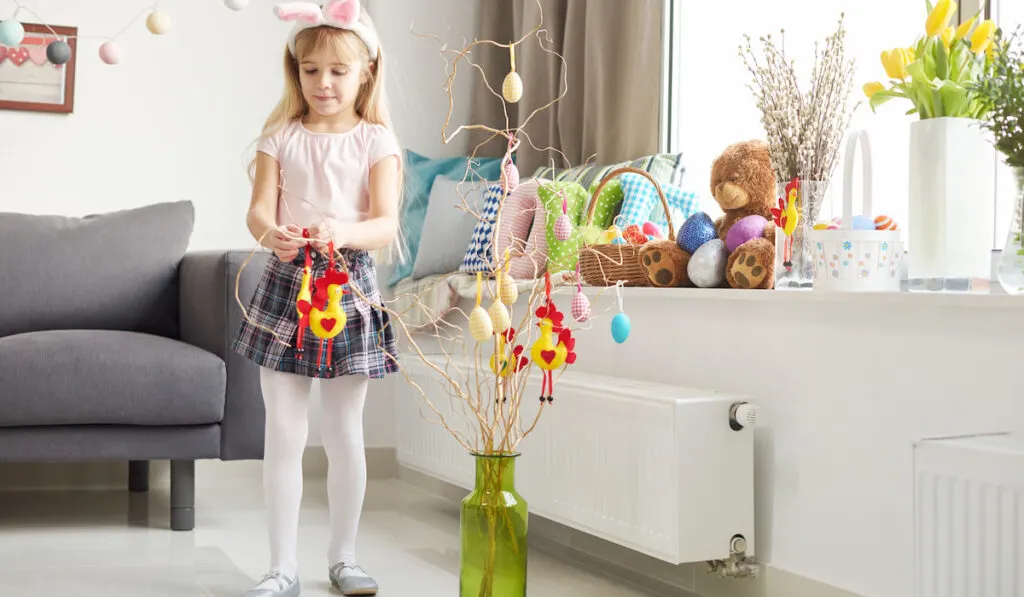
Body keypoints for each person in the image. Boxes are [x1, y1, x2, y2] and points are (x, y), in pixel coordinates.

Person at [231, 1, 401, 595]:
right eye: (310, 70)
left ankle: (345, 557)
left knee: (343, 430)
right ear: (294, 70)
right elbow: (258, 210)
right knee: (283, 431)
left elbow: (383, 223)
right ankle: (281, 567)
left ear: (365, 74)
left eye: (337, 71)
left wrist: (342, 234)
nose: (323, 83)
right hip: (287, 286)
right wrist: (269, 233)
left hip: (349, 286)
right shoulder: (278, 137)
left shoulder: (376, 141)